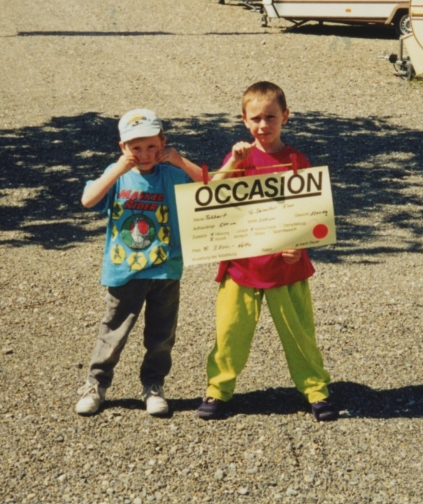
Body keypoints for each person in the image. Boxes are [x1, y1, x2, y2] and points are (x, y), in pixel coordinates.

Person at [196, 82, 338, 422]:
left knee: (299, 333)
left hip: (286, 265)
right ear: (244, 120)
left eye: (271, 117)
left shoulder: (295, 160)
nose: (264, 125)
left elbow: (311, 212)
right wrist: (233, 162)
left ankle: (316, 390)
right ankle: (218, 389)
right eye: (256, 118)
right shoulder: (239, 160)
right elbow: (210, 195)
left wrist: (300, 246)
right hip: (241, 264)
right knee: (230, 332)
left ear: (285, 117)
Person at [77, 108, 205, 417]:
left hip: (165, 268)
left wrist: (179, 159)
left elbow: (209, 184)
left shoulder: (171, 174)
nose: (145, 154)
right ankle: (96, 384)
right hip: (125, 271)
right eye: (136, 148)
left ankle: (153, 385)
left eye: (151, 145)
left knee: (161, 335)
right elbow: (88, 200)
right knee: (113, 331)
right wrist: (117, 170)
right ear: (123, 148)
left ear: (163, 142)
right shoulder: (117, 176)